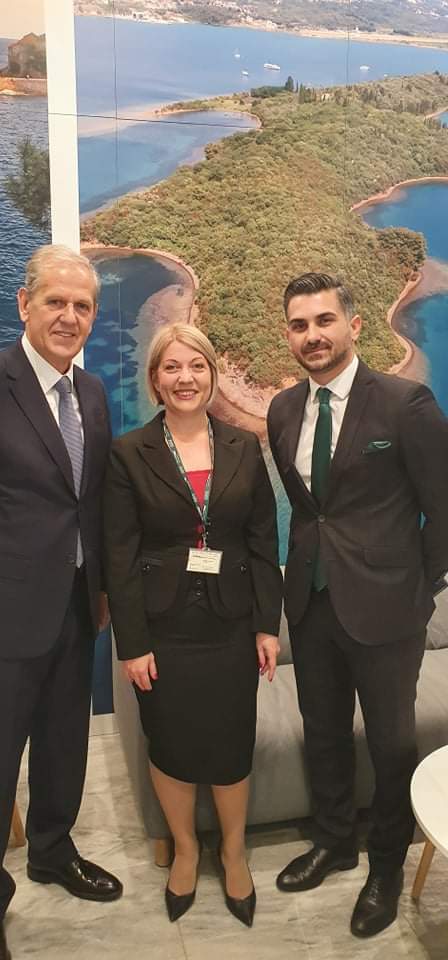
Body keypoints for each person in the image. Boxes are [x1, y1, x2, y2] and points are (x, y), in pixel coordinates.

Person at [267, 272, 448, 939]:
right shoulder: (282, 410)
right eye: (299, 325)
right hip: (310, 604)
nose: (312, 335)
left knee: (391, 742)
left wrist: (420, 588)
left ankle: (385, 866)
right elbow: (310, 511)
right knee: (323, 731)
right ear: (289, 335)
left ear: (354, 325)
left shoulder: (405, 403)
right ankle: (334, 840)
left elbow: (443, 509)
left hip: (388, 612)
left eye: (324, 321)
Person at [103, 323, 282, 927]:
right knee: (171, 742)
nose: (186, 378)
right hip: (163, 629)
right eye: (172, 367)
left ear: (212, 374)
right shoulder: (129, 453)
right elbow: (119, 555)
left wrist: (267, 625)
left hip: (232, 623)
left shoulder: (243, 445)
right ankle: (184, 849)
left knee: (231, 743)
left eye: (197, 366)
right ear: (155, 379)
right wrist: (132, 644)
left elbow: (263, 540)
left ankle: (233, 852)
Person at [0, 245, 122, 960]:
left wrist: (100, 588)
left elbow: (91, 500)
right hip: (8, 615)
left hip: (77, 606)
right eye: (56, 302)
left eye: (82, 306)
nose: (69, 316)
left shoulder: (94, 392)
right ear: (25, 305)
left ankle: (51, 849)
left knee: (63, 742)